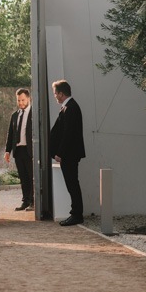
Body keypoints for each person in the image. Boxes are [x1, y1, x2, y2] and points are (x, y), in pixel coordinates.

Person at [48, 79, 85, 226]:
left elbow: (68, 134)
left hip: (70, 154)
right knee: (71, 184)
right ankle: (75, 213)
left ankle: (76, 215)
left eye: (55, 93)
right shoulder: (67, 107)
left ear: (61, 94)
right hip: (68, 154)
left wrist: (60, 153)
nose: (55, 96)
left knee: (72, 184)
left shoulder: (71, 108)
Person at [4, 88, 34, 211]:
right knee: (23, 178)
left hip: (30, 150)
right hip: (18, 150)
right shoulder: (15, 115)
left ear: (28, 99)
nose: (21, 103)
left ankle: (33, 202)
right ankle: (25, 201)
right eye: (18, 100)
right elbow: (10, 134)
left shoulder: (34, 113)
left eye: (23, 100)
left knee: (31, 176)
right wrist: (7, 151)